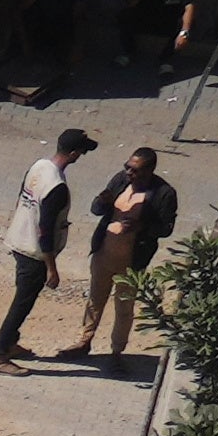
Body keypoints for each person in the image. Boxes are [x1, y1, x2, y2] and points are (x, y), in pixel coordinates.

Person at [0, 128, 97, 374]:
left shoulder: (39, 166)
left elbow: (21, 198)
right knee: (22, 304)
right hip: (34, 252)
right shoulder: (56, 186)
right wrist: (51, 268)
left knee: (22, 298)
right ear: (74, 153)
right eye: (81, 152)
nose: (81, 156)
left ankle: (10, 344)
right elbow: (45, 230)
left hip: (19, 240)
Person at [74, 143, 180, 359]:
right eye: (127, 167)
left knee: (124, 308)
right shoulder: (120, 181)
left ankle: (116, 352)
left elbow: (166, 228)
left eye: (135, 170)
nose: (129, 173)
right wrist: (102, 201)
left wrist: (141, 227)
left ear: (149, 171)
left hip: (132, 261)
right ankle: (84, 341)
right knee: (95, 300)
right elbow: (96, 210)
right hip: (104, 254)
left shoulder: (163, 193)